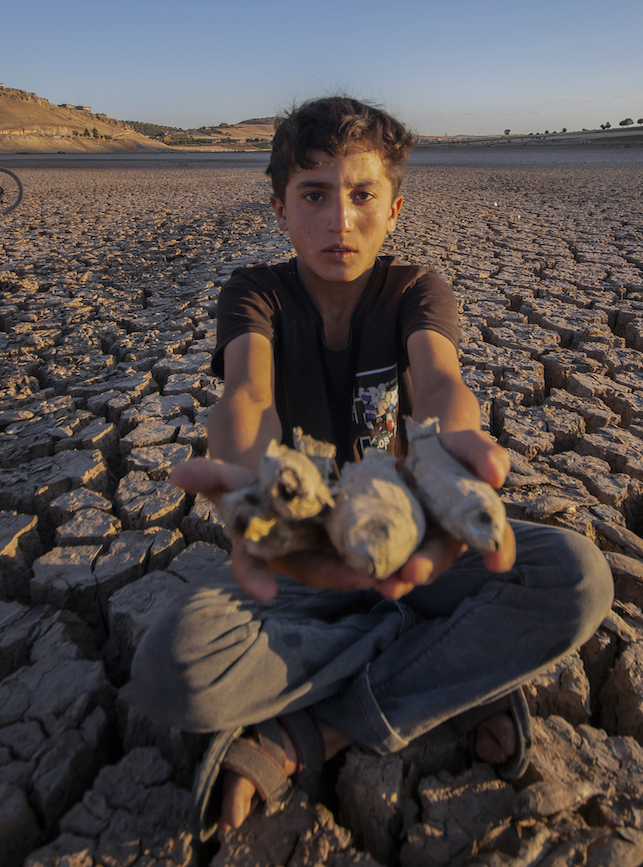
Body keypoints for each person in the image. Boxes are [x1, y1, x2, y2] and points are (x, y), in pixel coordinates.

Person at [127, 95, 612, 841]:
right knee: (172, 667)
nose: (339, 220)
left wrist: (452, 470)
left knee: (576, 578)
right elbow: (246, 393)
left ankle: (309, 734)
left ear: (395, 210)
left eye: (362, 196)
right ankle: (443, 672)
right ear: (280, 209)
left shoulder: (414, 289)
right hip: (304, 556)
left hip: (415, 541)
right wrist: (255, 480)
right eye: (314, 195)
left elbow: (444, 380)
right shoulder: (255, 292)